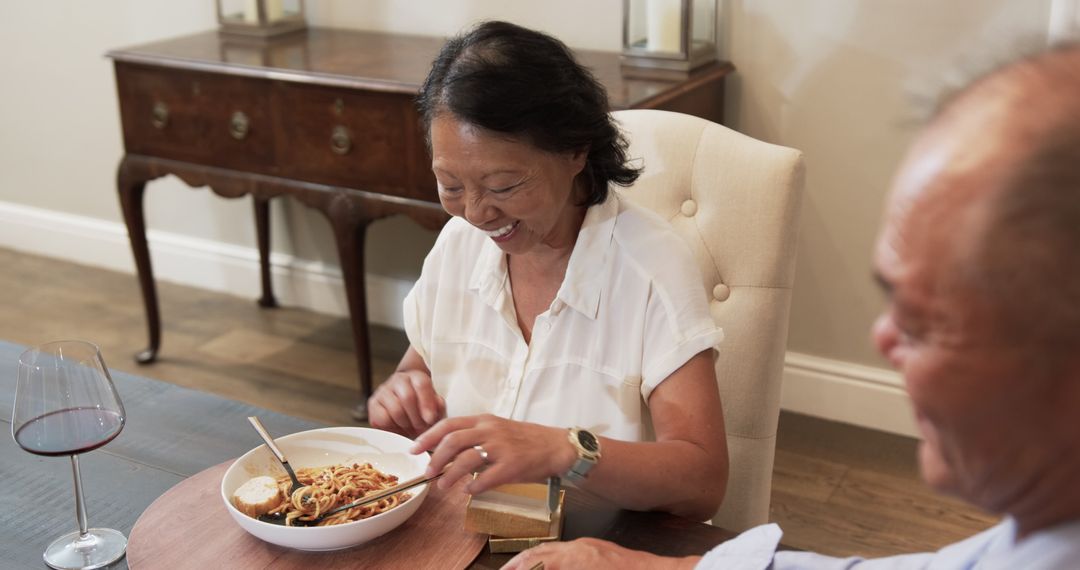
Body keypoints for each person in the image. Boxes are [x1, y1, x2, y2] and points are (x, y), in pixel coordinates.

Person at [503, 45, 1080, 569]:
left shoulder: (651, 262)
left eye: (933, 320)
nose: (883, 338)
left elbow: (700, 478)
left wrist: (573, 460)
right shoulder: (1040, 538)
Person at [367, 21, 729, 520]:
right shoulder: (459, 244)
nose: (475, 212)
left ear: (575, 150)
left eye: (503, 185)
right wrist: (400, 392)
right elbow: (420, 368)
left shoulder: (651, 267)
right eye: (451, 185)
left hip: (598, 545)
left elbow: (703, 482)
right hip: (464, 528)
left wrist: (567, 451)